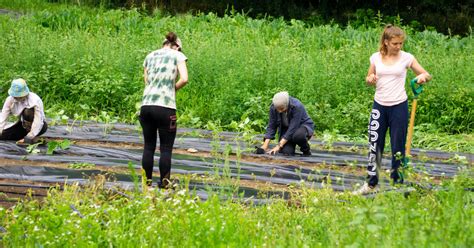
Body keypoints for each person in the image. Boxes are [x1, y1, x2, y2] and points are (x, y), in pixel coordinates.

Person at [354, 25, 432, 195]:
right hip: (379, 106)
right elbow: (368, 78)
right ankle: (371, 184)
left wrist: (421, 78)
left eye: (401, 43)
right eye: (395, 43)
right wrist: (371, 79)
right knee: (375, 145)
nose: (398, 47)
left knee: (397, 146)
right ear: (386, 42)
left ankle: (397, 184)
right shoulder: (375, 57)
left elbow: (426, 74)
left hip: (399, 106)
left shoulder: (407, 58)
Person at [140, 32, 188, 188]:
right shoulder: (177, 55)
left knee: (148, 146)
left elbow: (146, 80)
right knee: (166, 148)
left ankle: (146, 183)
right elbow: (185, 79)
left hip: (146, 105)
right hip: (165, 106)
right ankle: (165, 183)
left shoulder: (149, 56)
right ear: (177, 46)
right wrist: (172, 89)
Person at [260, 91, 314, 156]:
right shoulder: (273, 107)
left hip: (302, 127)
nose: (279, 111)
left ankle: (306, 150)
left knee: (298, 136)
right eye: (277, 109)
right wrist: (265, 146)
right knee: (286, 153)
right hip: (286, 130)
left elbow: (293, 128)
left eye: (282, 108)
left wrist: (279, 146)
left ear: (287, 104)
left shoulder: (296, 106)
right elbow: (272, 125)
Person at [0, 78, 48, 144]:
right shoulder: (10, 100)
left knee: (27, 112)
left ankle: (33, 136)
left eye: (19, 96)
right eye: (15, 96)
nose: (17, 98)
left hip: (39, 127)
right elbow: (3, 117)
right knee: (4, 135)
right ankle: (25, 135)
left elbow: (38, 121)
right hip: (23, 126)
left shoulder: (34, 100)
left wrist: (29, 136)